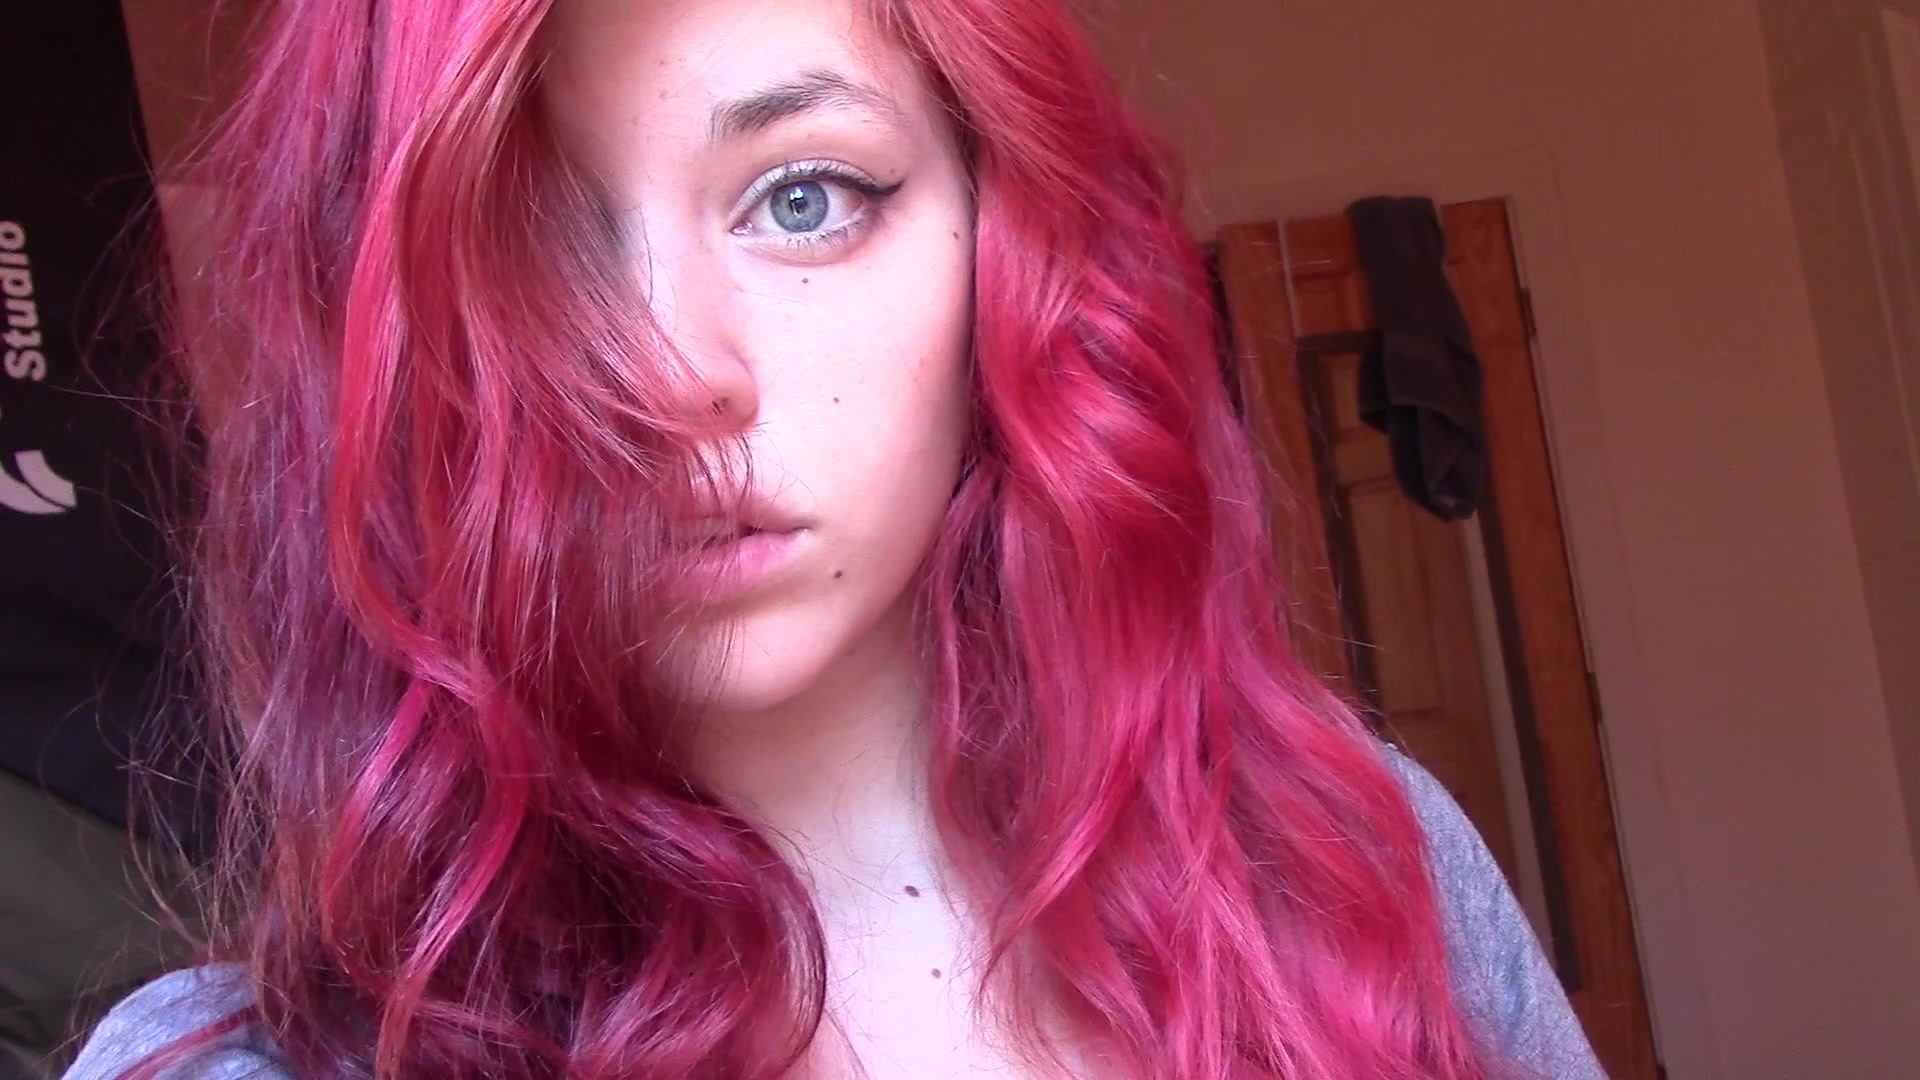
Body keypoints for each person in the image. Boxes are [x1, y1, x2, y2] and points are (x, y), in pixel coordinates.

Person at [62, 0, 1608, 1076]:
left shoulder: (1359, 868)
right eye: (528, 247)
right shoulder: (232, 1069)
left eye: (806, 200)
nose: (675, 375)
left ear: (1007, 245)